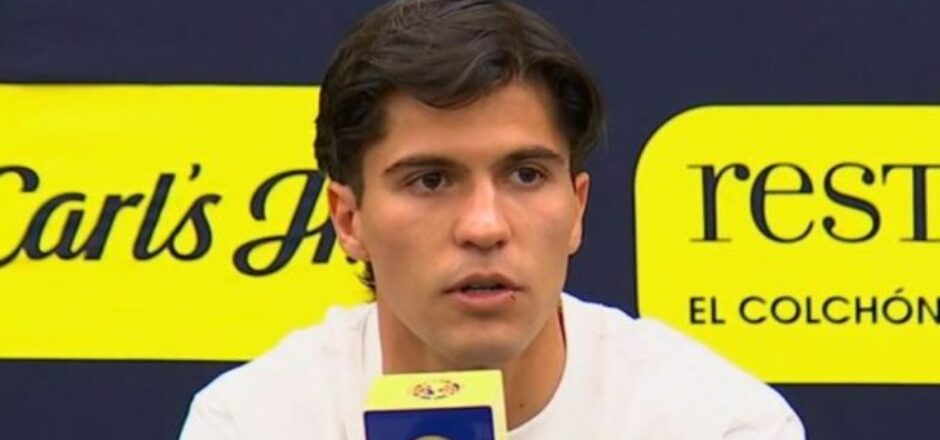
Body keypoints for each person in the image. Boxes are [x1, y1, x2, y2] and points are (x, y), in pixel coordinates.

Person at [179, 0, 804, 438]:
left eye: (525, 175)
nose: (484, 226)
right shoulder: (252, 424)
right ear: (348, 219)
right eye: (430, 180)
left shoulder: (717, 423)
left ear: (577, 209)